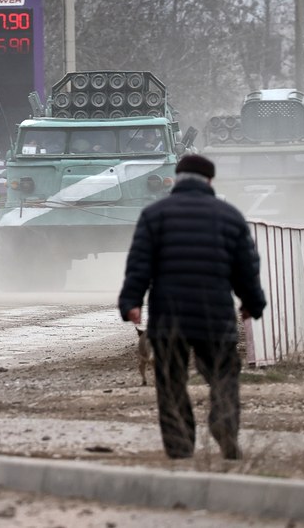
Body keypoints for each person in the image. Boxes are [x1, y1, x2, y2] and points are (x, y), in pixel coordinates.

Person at [118, 154, 266, 461]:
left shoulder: (154, 215)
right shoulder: (229, 216)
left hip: (169, 317)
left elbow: (139, 265)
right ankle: (224, 424)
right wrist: (252, 303)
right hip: (215, 315)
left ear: (178, 178)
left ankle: (180, 445)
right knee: (223, 376)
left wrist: (131, 302)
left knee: (171, 381)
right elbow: (246, 267)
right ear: (210, 181)